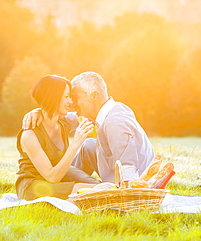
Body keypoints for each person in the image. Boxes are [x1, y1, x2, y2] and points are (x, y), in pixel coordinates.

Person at [23, 71, 154, 187]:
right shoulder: (108, 110)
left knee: (68, 164)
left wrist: (129, 192)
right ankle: (65, 181)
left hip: (134, 180)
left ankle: (72, 184)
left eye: (76, 98)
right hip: (115, 168)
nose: (72, 104)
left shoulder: (115, 123)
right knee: (88, 145)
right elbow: (66, 118)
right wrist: (41, 111)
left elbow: (127, 166)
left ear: (94, 96)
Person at [15, 75, 99, 201]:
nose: (70, 102)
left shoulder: (63, 124)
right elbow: (51, 177)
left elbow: (91, 114)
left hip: (56, 183)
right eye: (66, 97)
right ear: (53, 98)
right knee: (89, 190)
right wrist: (76, 143)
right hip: (34, 187)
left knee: (101, 187)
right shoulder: (29, 135)